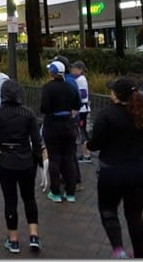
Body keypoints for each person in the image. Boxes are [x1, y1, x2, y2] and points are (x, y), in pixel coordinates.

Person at [86, 78, 143, 258]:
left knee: (108, 209)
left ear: (116, 95)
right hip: (140, 171)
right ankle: (139, 256)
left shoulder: (106, 115)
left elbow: (96, 143)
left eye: (112, 90)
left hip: (112, 171)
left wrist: (88, 145)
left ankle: (119, 250)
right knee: (135, 215)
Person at [0, 80, 42, 254]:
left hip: (5, 159)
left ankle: (13, 239)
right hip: (26, 158)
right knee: (29, 198)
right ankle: (34, 236)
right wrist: (36, 159)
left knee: (10, 200)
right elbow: (36, 140)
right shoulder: (28, 113)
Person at [40, 60, 81, 203]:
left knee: (54, 158)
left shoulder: (47, 88)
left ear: (52, 72)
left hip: (52, 126)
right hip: (69, 126)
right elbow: (78, 104)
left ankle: (55, 192)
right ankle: (70, 193)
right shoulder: (70, 87)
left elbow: (44, 107)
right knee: (69, 158)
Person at [70, 60, 92, 163]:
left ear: (80, 69)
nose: (73, 70)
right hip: (81, 108)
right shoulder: (78, 79)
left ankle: (86, 154)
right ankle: (85, 154)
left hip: (81, 109)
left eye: (75, 68)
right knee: (81, 130)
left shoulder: (81, 80)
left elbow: (83, 95)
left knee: (82, 131)